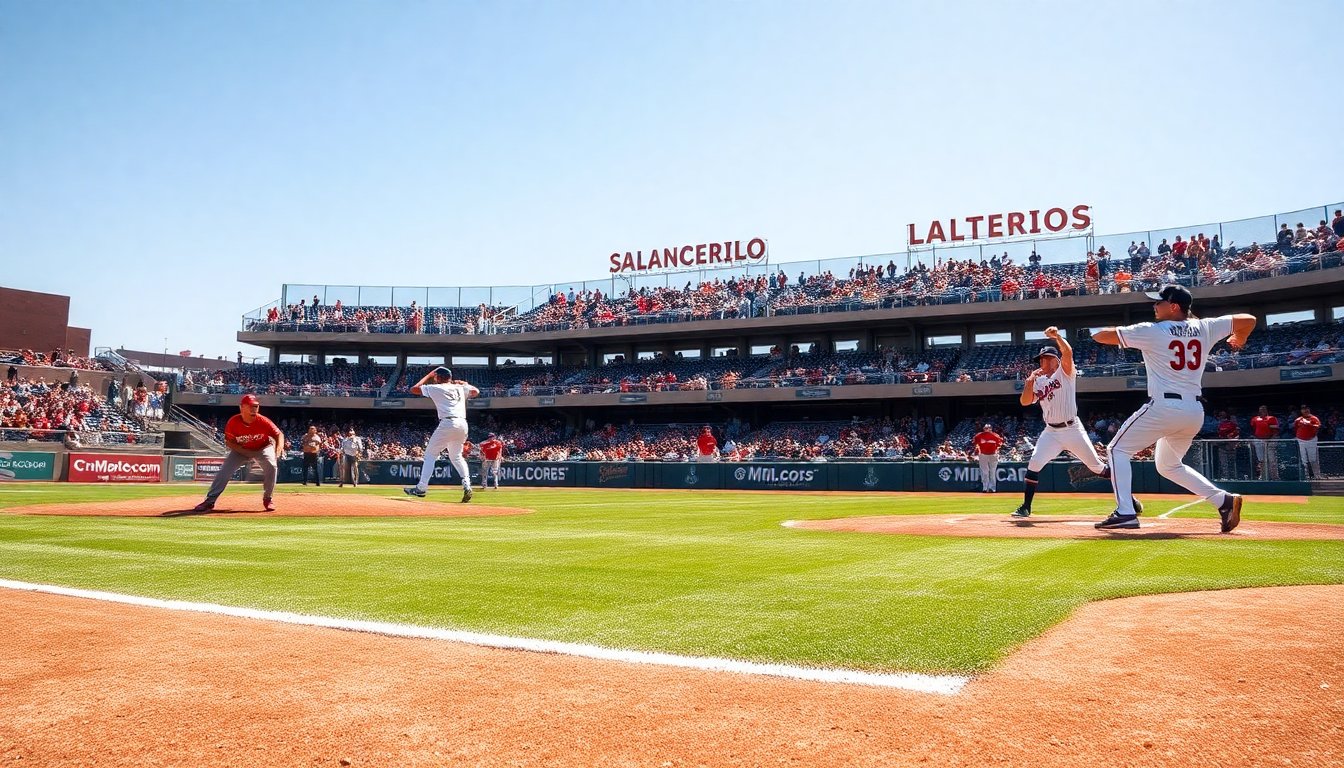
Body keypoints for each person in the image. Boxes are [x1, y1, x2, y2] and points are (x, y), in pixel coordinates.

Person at [1091, 285, 1256, 531]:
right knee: (1168, 465)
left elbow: (1102, 336)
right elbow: (1249, 319)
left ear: (1174, 306)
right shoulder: (1206, 326)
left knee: (1116, 449)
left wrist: (1088, 330)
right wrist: (1240, 337)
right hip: (1193, 410)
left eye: (1159, 302)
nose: (1154, 306)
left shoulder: (1153, 330)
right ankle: (1224, 500)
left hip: (1164, 406)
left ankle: (1125, 511)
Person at [1011, 329, 1119, 518]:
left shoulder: (1065, 373)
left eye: (1044, 358)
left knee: (1098, 467)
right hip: (1051, 431)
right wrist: (1029, 383)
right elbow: (1025, 402)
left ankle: (1127, 498)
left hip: (1072, 429)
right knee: (1034, 463)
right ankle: (1025, 507)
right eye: (1040, 359)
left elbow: (1067, 353)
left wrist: (1058, 338)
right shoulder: (1039, 381)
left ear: (1055, 360)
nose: (1041, 362)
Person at [192, 394, 285, 512]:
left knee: (272, 466)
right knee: (224, 472)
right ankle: (210, 501)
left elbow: (279, 434)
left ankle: (268, 499)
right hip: (241, 450)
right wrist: (244, 452)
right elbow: (229, 443)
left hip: (262, 448)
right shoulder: (233, 422)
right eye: (250, 406)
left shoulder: (262, 420)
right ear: (241, 408)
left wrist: (279, 448)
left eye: (256, 406)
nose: (254, 409)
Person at [404, 367, 479, 502]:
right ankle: (467, 484)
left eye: (435, 377)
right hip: (462, 424)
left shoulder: (436, 388)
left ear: (438, 377)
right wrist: (464, 383)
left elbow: (414, 389)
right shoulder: (460, 388)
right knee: (456, 457)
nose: (434, 379)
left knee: (430, 455)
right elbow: (476, 391)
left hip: (448, 422)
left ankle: (421, 488)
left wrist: (428, 375)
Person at [970, 423, 1004, 493]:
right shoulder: (979, 435)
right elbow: (974, 442)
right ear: (983, 428)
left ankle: (993, 488)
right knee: (984, 472)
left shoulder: (995, 436)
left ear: (991, 429)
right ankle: (985, 488)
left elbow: (1000, 444)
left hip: (993, 455)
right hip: (983, 455)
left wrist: (996, 451)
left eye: (988, 428)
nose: (987, 429)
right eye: (985, 428)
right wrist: (976, 451)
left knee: (992, 472)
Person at [1250, 405, 1280, 480]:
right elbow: (1253, 429)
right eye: (1261, 409)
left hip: (1270, 441)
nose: (1262, 410)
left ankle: (1275, 477)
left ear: (1267, 410)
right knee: (1261, 460)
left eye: (1264, 409)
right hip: (1258, 441)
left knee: (1272, 460)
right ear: (1259, 411)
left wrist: (1270, 440)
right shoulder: (1255, 419)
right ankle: (1263, 477)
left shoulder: (1272, 418)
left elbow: (1275, 431)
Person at [1294, 405, 1321, 480]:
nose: (1305, 410)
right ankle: (1305, 477)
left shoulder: (1314, 418)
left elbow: (1318, 427)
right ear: (1301, 411)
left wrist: (1309, 424)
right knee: (1303, 459)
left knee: (1313, 459)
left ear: (1309, 409)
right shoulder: (1298, 420)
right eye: (1303, 409)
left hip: (1311, 440)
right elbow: (1295, 428)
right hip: (1301, 441)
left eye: (1307, 409)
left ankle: (1317, 476)